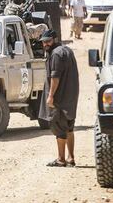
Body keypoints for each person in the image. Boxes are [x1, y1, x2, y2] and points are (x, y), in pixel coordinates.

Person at [38, 30, 79, 167]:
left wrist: (50, 96)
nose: (45, 44)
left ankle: (61, 159)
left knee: (59, 128)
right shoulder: (67, 50)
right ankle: (71, 158)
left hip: (59, 99)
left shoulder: (55, 54)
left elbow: (55, 77)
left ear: (55, 39)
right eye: (43, 42)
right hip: (70, 97)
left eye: (48, 41)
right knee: (69, 127)